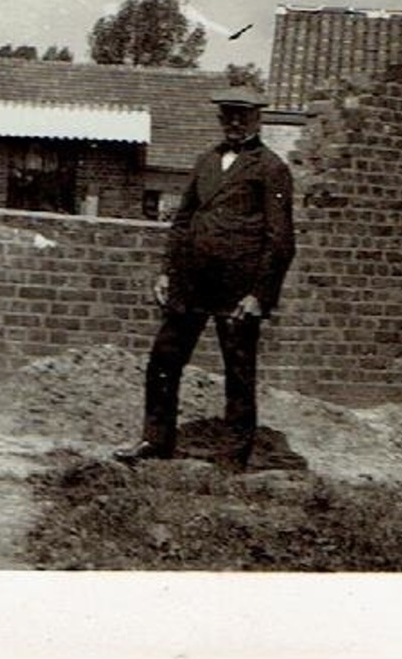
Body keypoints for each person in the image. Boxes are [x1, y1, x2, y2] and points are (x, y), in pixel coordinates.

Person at [114, 85, 295, 470]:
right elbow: (182, 221)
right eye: (227, 114)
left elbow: (280, 240)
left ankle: (233, 458)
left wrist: (259, 295)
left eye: (242, 115)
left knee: (239, 372)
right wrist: (167, 271)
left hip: (238, 290)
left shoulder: (272, 168)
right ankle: (155, 441)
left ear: (257, 119)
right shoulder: (206, 161)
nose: (233, 122)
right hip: (191, 282)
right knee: (164, 358)